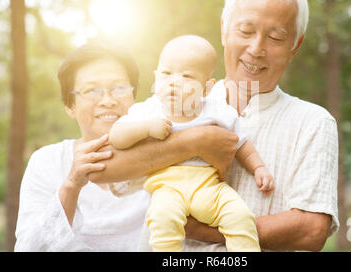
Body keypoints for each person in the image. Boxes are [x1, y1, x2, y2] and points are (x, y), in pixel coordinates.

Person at [90, 0, 339, 252]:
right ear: (224, 29)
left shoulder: (313, 122)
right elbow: (102, 169)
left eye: (276, 38)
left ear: (295, 46)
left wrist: (210, 230)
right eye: (246, 30)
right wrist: (195, 141)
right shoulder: (171, 102)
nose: (257, 48)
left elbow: (311, 230)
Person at [14, 43, 239, 251]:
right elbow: (29, 247)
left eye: (119, 88)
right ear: (69, 106)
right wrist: (71, 185)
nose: (108, 101)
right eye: (92, 90)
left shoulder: (171, 150)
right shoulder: (47, 161)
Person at [108, 35, 274, 252]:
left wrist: (258, 168)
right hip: (165, 187)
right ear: (156, 77)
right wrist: (146, 128)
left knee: (239, 216)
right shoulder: (148, 109)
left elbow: (241, 143)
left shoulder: (216, 110)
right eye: (166, 73)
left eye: (186, 76)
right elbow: (117, 137)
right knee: (162, 219)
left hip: (208, 187)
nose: (173, 82)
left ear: (206, 88)